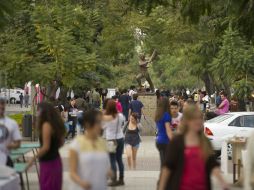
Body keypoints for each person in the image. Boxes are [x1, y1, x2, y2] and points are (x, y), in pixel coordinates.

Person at [158, 104, 228, 190]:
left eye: (200, 118)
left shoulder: (204, 141)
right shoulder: (177, 142)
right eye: (194, 119)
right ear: (187, 121)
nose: (198, 121)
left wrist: (223, 182)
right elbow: (167, 167)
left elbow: (212, 164)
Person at [69, 109, 111, 190]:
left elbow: (105, 166)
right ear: (88, 124)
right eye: (98, 122)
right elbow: (72, 173)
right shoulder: (76, 144)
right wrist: (82, 182)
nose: (101, 126)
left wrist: (108, 172)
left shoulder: (102, 143)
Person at [27, 102, 65, 190]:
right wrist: (54, 147)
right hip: (56, 160)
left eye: (38, 110)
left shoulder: (46, 125)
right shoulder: (56, 124)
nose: (37, 113)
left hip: (48, 163)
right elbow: (62, 142)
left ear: (43, 112)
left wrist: (33, 158)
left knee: (47, 186)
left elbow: (45, 147)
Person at [103, 99, 125, 186]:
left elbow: (103, 127)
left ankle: (114, 179)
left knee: (112, 159)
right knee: (119, 159)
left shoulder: (107, 117)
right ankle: (121, 179)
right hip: (120, 138)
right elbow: (122, 124)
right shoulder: (120, 115)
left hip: (110, 140)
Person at [0, 98, 21, 167]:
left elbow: (18, 143)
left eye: (2, 104)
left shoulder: (12, 123)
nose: (1, 106)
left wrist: (10, 146)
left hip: (6, 161)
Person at [155, 98, 173, 167]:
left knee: (163, 163)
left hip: (159, 140)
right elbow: (168, 130)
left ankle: (163, 176)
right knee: (167, 164)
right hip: (166, 141)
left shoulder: (158, 115)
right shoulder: (166, 115)